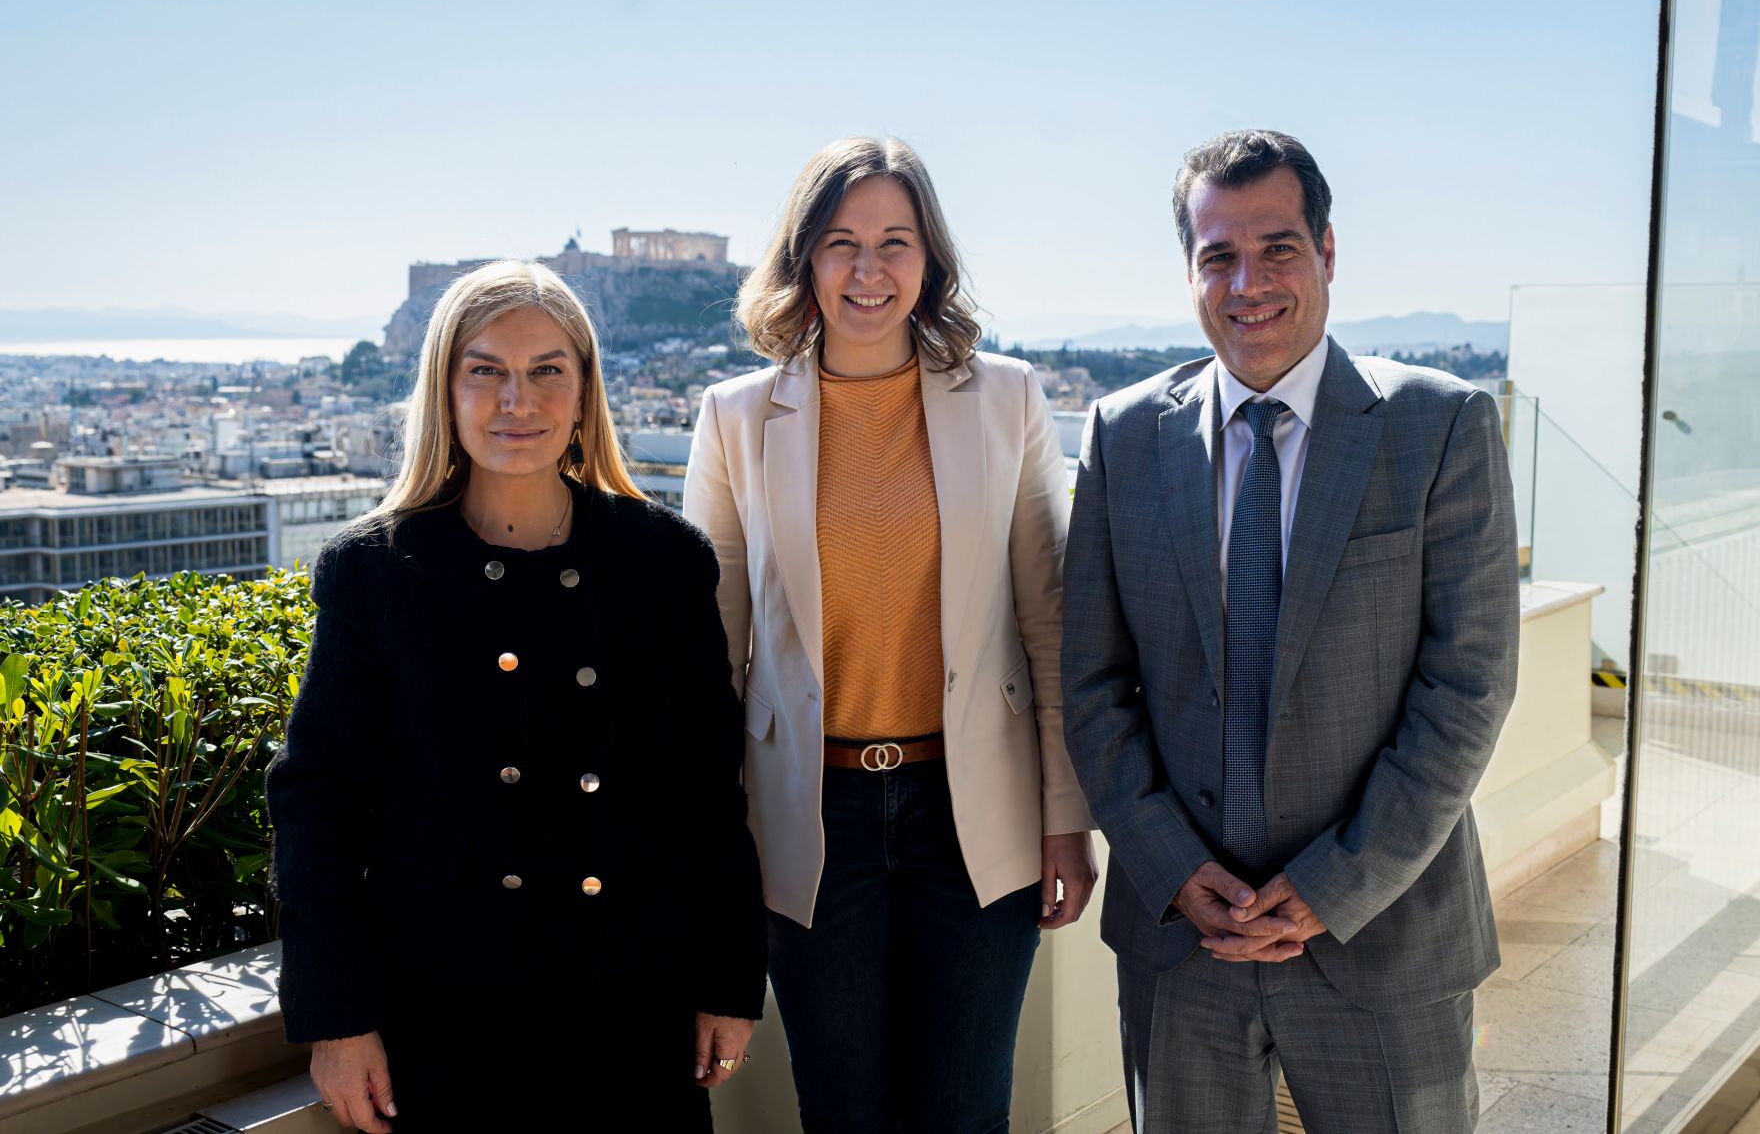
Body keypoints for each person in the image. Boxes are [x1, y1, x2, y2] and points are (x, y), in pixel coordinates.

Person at [1061, 129, 1520, 1133]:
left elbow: (1468, 685)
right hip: (1185, 948)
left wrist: (1329, 885)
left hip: (1384, 935)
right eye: (1215, 255)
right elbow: (1090, 686)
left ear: (1326, 252)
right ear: (1187, 271)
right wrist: (1176, 875)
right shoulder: (1120, 438)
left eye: (1276, 248)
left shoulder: (1438, 428)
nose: (1247, 282)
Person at [266, 260, 765, 1132]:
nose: (516, 400)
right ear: (446, 391)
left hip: (633, 1002)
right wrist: (337, 1017)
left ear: (583, 393)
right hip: (449, 1011)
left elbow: (708, 791)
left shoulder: (664, 563)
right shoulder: (374, 572)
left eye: (546, 371)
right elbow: (318, 801)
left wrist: (729, 980)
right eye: (486, 370)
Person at [683, 136, 1096, 1133]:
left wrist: (1064, 814)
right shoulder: (736, 416)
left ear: (930, 261)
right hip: (807, 818)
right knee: (843, 1109)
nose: (867, 270)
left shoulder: (1006, 398)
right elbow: (708, 651)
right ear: (802, 262)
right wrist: (709, 840)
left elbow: (1048, 615)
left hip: (974, 811)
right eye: (839, 242)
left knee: (962, 1109)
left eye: (893, 242)